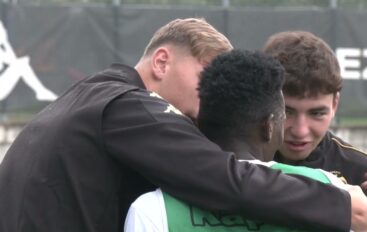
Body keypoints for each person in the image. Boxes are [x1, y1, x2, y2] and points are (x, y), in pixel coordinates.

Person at [0, 18, 366, 232]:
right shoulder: (125, 105)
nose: (210, 95)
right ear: (162, 62)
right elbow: (223, 176)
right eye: (204, 78)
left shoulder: (88, 97)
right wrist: (338, 204)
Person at [124, 49, 352, 232]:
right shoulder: (331, 192)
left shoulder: (152, 208)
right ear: (269, 126)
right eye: (285, 116)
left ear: (199, 123)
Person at [263, 31, 367, 188]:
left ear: (334, 105)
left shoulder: (359, 172)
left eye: (317, 114)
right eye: (286, 112)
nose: (300, 131)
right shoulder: (229, 163)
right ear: (262, 100)